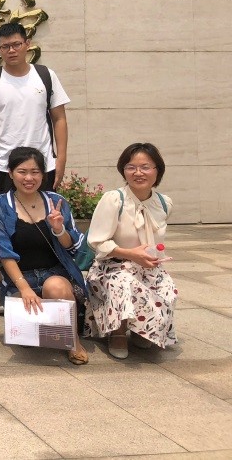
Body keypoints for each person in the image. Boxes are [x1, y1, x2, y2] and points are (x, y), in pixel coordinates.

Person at [0, 22, 70, 314]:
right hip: (2, 167)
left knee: (47, 225)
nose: (11, 50)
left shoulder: (45, 76)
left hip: (42, 166)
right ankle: (7, 287)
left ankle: (51, 279)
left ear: (27, 44)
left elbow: (59, 118)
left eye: (16, 44)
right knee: (4, 229)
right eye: (4, 46)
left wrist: (60, 159)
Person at [0, 147, 89, 365]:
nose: (29, 178)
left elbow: (74, 247)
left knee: (56, 288)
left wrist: (59, 229)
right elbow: (2, 252)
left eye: (35, 172)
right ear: (10, 173)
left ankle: (72, 340)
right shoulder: (1, 205)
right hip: (20, 278)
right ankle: (49, 327)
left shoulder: (56, 201)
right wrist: (24, 288)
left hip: (55, 272)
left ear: (43, 174)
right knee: (29, 337)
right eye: (22, 172)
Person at [85, 143, 177, 360]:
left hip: (147, 266)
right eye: (131, 167)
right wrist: (131, 254)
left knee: (167, 287)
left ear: (157, 170)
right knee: (123, 283)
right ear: (123, 170)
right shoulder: (114, 199)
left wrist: (153, 257)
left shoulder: (164, 203)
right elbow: (96, 241)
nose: (138, 173)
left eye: (145, 167)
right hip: (112, 266)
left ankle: (142, 330)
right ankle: (118, 333)